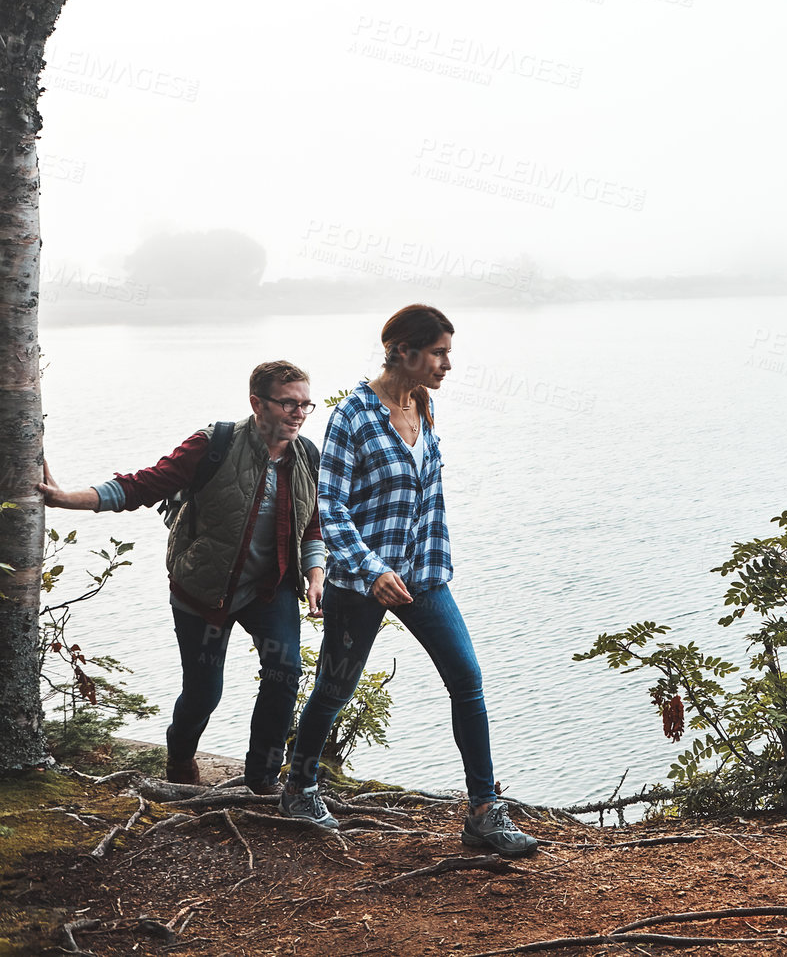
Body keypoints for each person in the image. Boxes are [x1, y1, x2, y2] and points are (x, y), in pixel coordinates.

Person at [280, 303, 536, 857]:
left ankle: (484, 812)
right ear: (403, 351)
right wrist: (372, 571)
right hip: (361, 582)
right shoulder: (352, 416)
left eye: (447, 353)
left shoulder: (423, 404)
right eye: (439, 353)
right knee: (334, 688)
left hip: (424, 574)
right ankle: (299, 787)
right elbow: (331, 507)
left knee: (467, 680)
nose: (447, 365)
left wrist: (418, 567)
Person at [38, 361, 325, 794]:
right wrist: (67, 499)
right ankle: (179, 752)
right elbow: (144, 485)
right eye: (288, 403)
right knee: (203, 694)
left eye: (305, 405)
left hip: (269, 590)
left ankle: (262, 781)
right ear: (257, 403)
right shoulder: (216, 444)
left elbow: (311, 525)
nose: (299, 413)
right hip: (203, 591)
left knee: (285, 673)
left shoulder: (307, 457)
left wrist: (315, 574)